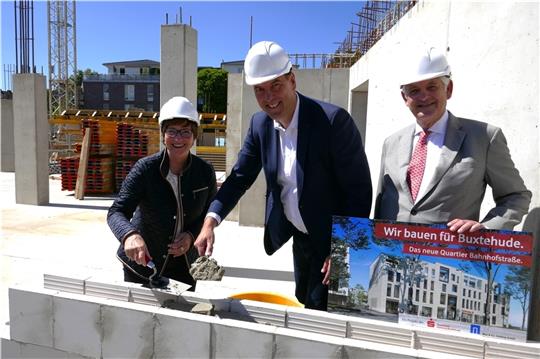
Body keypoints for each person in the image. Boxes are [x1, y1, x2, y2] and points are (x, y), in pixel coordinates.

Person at [194, 41, 372, 310]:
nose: (269, 97)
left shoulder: (333, 122)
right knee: (304, 300)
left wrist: (343, 248)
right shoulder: (260, 125)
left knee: (325, 312)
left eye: (276, 85)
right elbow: (240, 177)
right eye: (260, 90)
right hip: (299, 238)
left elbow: (358, 191)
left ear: (292, 80)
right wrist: (211, 220)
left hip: (331, 240)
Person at [375, 47, 531, 231]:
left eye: (432, 87)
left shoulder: (485, 137)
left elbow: (516, 196)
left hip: (449, 257)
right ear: (405, 97)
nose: (424, 96)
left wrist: (487, 227)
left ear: (448, 89)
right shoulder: (392, 142)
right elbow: (382, 201)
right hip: (393, 254)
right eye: (414, 90)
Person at [107, 96, 217, 288]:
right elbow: (117, 211)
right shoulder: (145, 168)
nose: (178, 139)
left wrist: (191, 235)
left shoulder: (204, 172)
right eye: (172, 131)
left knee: (180, 315)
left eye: (185, 132)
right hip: (143, 263)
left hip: (184, 265)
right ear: (163, 133)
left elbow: (210, 214)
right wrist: (129, 235)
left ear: (194, 135)